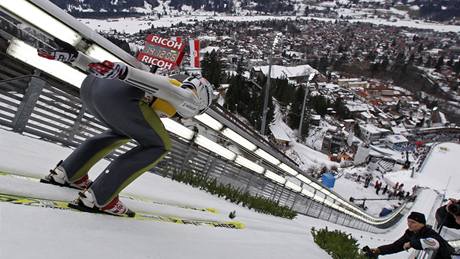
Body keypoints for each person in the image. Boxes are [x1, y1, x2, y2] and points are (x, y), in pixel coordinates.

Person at [37, 39, 215, 216]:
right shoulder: (187, 98)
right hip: (120, 96)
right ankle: (100, 197)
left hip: (92, 88)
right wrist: (124, 72)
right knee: (159, 145)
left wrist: (77, 58)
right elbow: (165, 87)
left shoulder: (166, 80)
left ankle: (69, 172)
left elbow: (143, 79)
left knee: (122, 131)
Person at [365, 212, 454, 259]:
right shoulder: (410, 233)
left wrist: (411, 244)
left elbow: (434, 243)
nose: (409, 224)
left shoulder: (428, 232)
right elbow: (396, 246)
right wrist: (379, 250)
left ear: (421, 224)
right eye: (408, 221)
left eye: (413, 222)